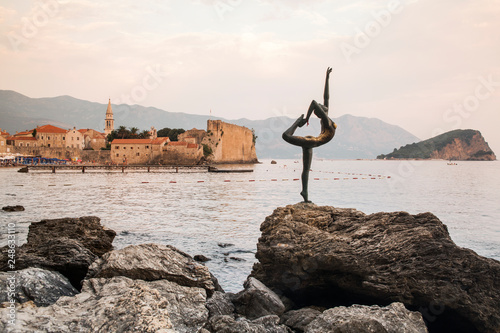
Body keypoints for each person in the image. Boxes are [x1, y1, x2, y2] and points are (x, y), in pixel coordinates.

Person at [282, 67, 337, 203]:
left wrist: (327, 77)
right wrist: (306, 119)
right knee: (285, 136)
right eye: (323, 109)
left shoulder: (327, 122)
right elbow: (314, 102)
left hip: (312, 142)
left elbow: (326, 98)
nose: (324, 107)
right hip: (312, 141)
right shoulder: (327, 123)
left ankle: (305, 192)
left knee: (306, 169)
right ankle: (296, 122)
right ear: (322, 113)